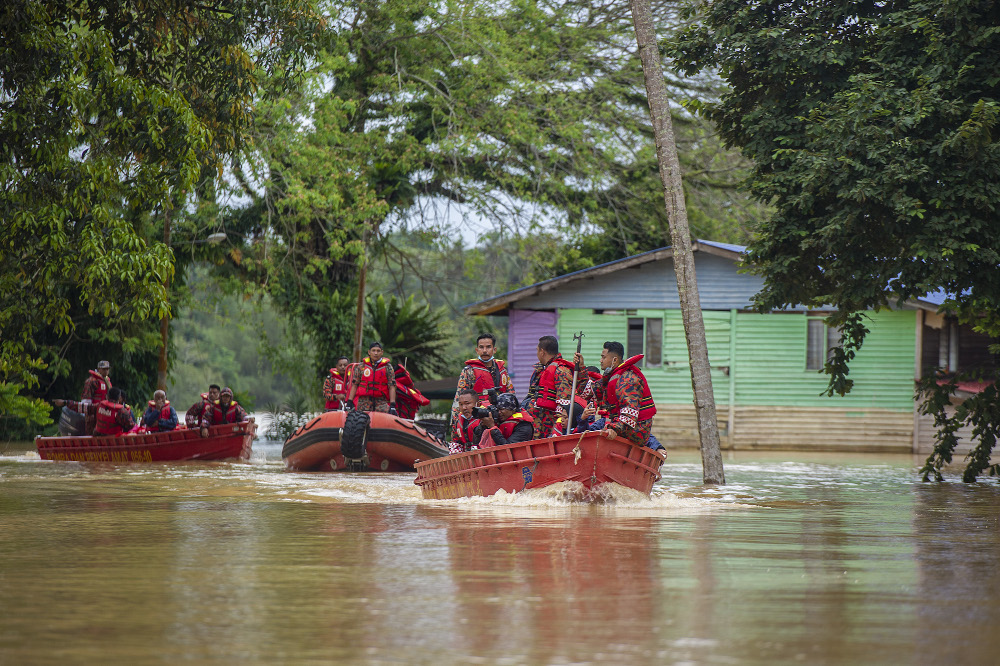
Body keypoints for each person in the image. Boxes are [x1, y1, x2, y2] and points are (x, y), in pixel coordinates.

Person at [583, 341, 658, 447]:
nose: (600, 361)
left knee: (600, 431)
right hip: (621, 425)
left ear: (614, 360)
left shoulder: (628, 379)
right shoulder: (612, 377)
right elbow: (588, 391)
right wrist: (580, 368)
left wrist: (614, 428)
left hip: (636, 430)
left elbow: (629, 412)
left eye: (603, 357)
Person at [450, 333, 514, 440]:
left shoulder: (502, 371)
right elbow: (459, 399)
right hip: (477, 419)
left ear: (494, 350)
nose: (485, 350)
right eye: (481, 347)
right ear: (477, 350)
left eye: (488, 347)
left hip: (500, 418)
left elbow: (511, 395)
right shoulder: (469, 371)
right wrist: (455, 423)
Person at [529, 335, 579, 439]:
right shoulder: (542, 370)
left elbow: (564, 403)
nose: (537, 353)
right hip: (538, 425)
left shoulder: (561, 370)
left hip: (550, 428)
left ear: (542, 352)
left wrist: (557, 430)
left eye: (537, 350)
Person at [346, 342, 397, 414]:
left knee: (386, 418)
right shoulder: (361, 366)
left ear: (382, 352)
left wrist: (392, 405)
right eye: (373, 350)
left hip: (381, 402)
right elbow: (355, 385)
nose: (376, 353)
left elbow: (391, 386)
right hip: (364, 401)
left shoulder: (388, 367)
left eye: (378, 351)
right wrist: (349, 401)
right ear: (369, 352)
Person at [449, 389, 482, 454]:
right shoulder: (458, 421)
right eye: (461, 404)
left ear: (477, 404)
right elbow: (455, 442)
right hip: (466, 456)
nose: (464, 408)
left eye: (467, 403)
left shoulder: (484, 419)